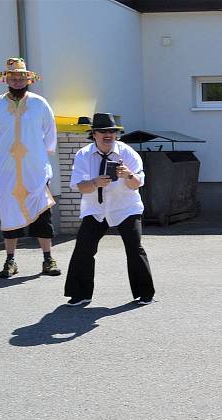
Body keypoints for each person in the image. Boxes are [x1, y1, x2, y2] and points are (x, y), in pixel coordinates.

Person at [63, 113, 155, 306]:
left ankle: (144, 294)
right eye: (103, 132)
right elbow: (79, 186)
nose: (108, 135)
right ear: (94, 134)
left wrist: (129, 175)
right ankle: (80, 294)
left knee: (134, 248)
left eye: (112, 132)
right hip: (96, 209)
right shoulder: (84, 155)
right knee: (83, 249)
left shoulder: (128, 153)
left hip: (125, 208)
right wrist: (95, 182)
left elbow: (137, 184)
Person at [0, 58, 61, 278]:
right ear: (6, 79)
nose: (18, 81)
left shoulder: (40, 103)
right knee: (9, 212)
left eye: (21, 77)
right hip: (8, 169)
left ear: (29, 79)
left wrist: (40, 156)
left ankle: (48, 258)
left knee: (42, 213)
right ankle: (10, 260)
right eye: (13, 77)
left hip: (35, 167)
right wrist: (5, 155)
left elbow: (50, 133)